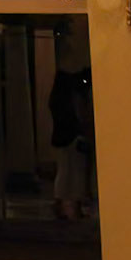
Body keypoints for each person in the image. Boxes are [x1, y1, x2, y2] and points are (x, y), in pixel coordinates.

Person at [48, 27, 95, 221]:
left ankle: (64, 204)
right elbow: (80, 108)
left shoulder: (62, 88)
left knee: (65, 167)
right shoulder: (76, 85)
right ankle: (72, 206)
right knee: (75, 169)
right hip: (73, 131)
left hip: (63, 131)